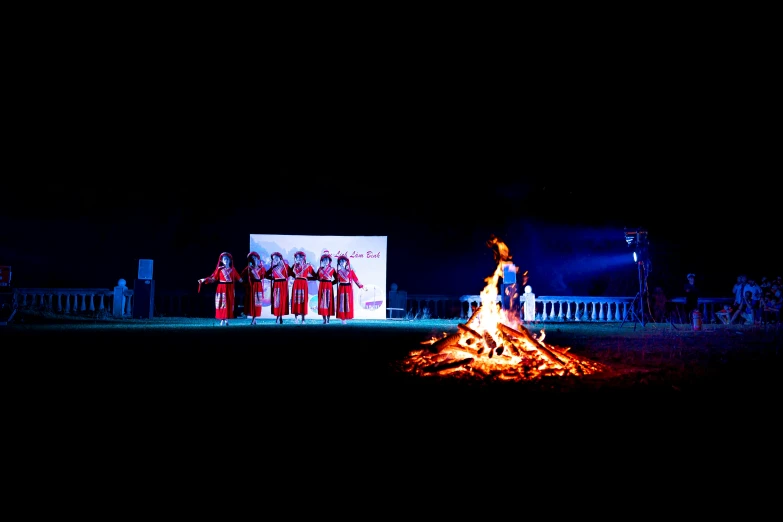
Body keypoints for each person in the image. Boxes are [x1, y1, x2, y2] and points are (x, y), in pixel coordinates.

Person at [198, 252, 243, 326]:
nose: (226, 260)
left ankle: (226, 320)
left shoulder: (233, 269)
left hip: (230, 288)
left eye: (227, 259)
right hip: (221, 288)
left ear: (230, 260)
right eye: (224, 259)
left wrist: (245, 280)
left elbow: (239, 279)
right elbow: (213, 279)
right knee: (222, 304)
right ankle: (222, 319)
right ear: (222, 261)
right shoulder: (219, 269)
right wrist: (204, 279)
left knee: (228, 303)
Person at [335, 255, 366, 325]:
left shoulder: (350, 271)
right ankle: (343, 319)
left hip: (348, 288)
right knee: (342, 303)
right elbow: (336, 280)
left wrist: (361, 286)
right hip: (342, 287)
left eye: (344, 261)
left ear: (346, 262)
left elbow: (355, 279)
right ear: (339, 263)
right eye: (341, 261)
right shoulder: (338, 272)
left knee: (347, 303)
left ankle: (346, 316)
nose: (342, 262)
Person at [265, 252, 291, 324]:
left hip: (283, 284)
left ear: (280, 258)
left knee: (282, 300)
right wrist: (272, 278)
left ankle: (280, 316)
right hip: (276, 284)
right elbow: (266, 275)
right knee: (277, 301)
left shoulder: (286, 266)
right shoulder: (273, 267)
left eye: (277, 258)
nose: (275, 260)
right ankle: (278, 317)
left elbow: (292, 273)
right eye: (274, 259)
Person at [290, 251, 316, 324]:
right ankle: (296, 318)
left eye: (300, 257)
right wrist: (296, 277)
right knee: (296, 300)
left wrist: (306, 278)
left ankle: (303, 319)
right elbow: (289, 273)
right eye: (297, 257)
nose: (299, 258)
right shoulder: (294, 266)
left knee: (303, 300)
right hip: (296, 283)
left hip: (304, 284)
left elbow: (315, 275)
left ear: (304, 258)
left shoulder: (308, 266)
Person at [241, 251, 266, 325]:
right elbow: (241, 276)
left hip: (258, 285)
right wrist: (245, 284)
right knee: (252, 302)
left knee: (257, 302)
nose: (254, 259)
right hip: (252, 286)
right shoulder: (249, 268)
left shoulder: (261, 268)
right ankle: (253, 318)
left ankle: (254, 318)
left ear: (258, 259)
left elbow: (264, 276)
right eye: (252, 258)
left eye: (255, 258)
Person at [315, 253, 337, 324]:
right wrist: (322, 281)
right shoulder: (320, 269)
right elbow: (317, 277)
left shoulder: (332, 269)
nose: (325, 261)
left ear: (329, 261)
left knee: (329, 302)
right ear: (322, 261)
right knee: (322, 302)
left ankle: (328, 319)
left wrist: (330, 283)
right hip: (322, 286)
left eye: (327, 260)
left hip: (329, 286)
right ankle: (324, 319)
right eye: (324, 260)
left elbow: (337, 279)